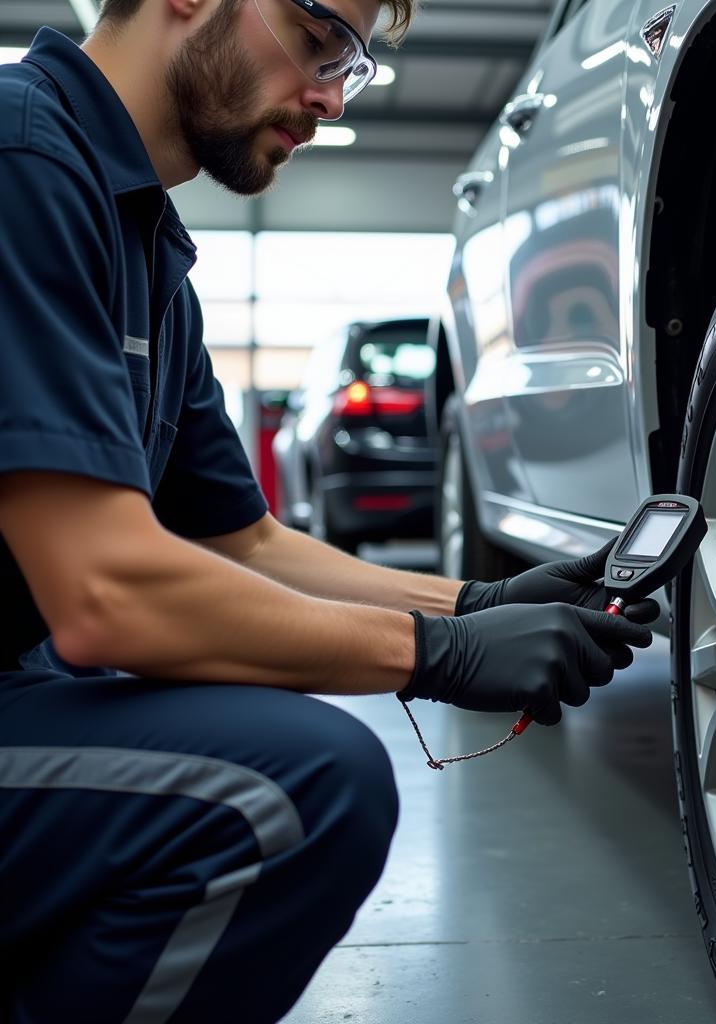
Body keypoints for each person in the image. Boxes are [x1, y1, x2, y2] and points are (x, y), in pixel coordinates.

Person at [0, 1, 656, 1020]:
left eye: (355, 68)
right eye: (318, 44)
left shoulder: (151, 262)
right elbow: (103, 593)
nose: (331, 98)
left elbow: (245, 539)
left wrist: (472, 600)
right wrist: (432, 654)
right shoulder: (21, 157)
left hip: (20, 690)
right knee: (301, 783)